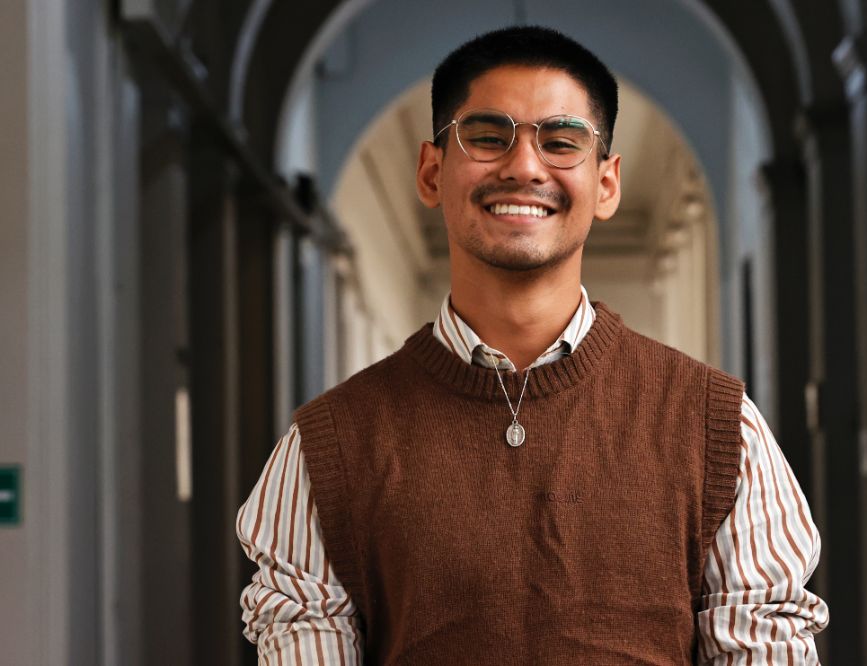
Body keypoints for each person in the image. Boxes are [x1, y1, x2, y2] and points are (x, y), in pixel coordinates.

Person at [237, 26, 829, 665]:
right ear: (432, 172)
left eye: (561, 141)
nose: (523, 167)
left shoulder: (720, 429)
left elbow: (765, 642)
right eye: (488, 137)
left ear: (606, 184)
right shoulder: (328, 446)